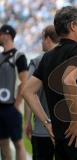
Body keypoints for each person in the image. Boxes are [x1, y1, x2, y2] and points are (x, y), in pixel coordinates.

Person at [22, 6, 77, 160]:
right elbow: (68, 80)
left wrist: (47, 123)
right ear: (73, 26)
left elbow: (27, 91)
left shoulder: (47, 57)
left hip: (61, 137)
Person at [24, 25, 59, 160]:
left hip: (42, 129)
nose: (41, 42)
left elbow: (27, 93)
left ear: (47, 38)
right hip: (65, 130)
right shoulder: (68, 59)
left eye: (42, 39)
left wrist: (27, 122)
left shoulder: (37, 61)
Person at [0, 24, 27, 160]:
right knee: (3, 142)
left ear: (7, 35)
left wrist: (17, 104)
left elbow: (24, 81)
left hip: (12, 106)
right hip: (0, 106)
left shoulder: (19, 56)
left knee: (18, 143)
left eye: (0, 34)